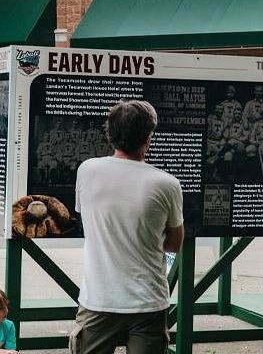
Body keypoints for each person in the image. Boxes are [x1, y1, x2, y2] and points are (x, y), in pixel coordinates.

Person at [70, 100, 184, 354]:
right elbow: (175, 243)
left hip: (98, 299)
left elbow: (86, 218)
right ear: (148, 137)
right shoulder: (167, 184)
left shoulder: (87, 171)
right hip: (148, 302)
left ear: (110, 134)